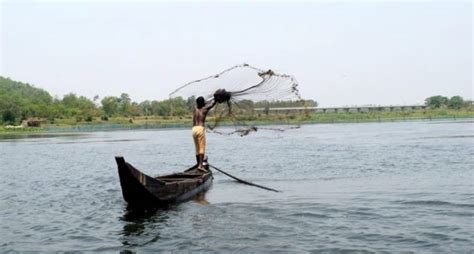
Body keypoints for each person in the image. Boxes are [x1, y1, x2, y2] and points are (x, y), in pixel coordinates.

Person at [192, 96, 216, 171]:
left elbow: (201, 104)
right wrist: (216, 98)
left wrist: (204, 102)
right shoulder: (204, 109)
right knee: (202, 148)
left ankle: (198, 163)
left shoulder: (195, 109)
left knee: (197, 148)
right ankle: (200, 166)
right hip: (200, 128)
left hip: (194, 129)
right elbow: (212, 104)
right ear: (203, 103)